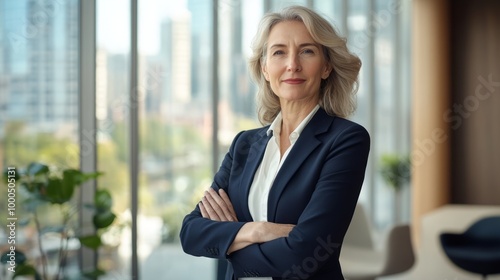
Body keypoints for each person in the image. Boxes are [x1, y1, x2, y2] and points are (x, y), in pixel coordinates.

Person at [180, 5, 370, 280]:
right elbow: (191, 232)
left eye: (307, 51)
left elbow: (305, 253)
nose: (292, 64)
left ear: (326, 66)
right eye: (279, 52)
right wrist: (258, 230)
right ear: (265, 68)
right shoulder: (243, 145)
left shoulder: (346, 140)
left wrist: (230, 238)